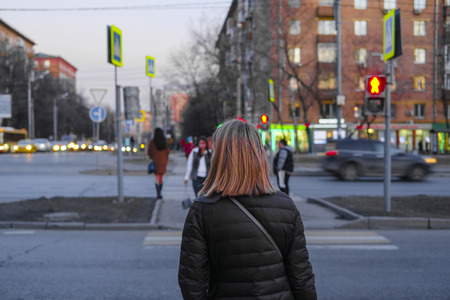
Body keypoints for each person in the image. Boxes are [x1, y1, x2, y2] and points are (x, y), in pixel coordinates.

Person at [178, 119, 316, 300]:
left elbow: (192, 283)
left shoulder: (202, 210)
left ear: (220, 157)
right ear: (259, 155)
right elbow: (301, 277)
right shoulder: (286, 206)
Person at [147, 128, 170, 199]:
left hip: (156, 161)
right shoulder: (165, 142)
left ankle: (158, 193)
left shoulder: (152, 142)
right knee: (161, 177)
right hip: (163, 161)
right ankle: (160, 192)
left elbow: (148, 152)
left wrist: (152, 157)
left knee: (157, 177)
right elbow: (168, 152)